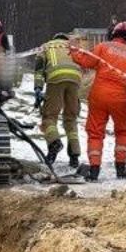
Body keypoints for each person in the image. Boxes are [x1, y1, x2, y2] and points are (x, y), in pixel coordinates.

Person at [71, 22, 126, 181]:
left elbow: (86, 61)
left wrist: (73, 50)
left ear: (114, 35)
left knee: (95, 132)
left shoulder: (103, 47)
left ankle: (94, 169)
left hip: (99, 95)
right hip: (121, 99)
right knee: (123, 132)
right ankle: (121, 168)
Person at [34, 32, 84, 168]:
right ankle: (74, 156)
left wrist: (38, 88)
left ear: (54, 39)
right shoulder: (71, 46)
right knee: (70, 118)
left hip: (55, 78)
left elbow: (38, 69)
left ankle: (54, 143)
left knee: (49, 116)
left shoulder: (47, 46)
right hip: (75, 80)